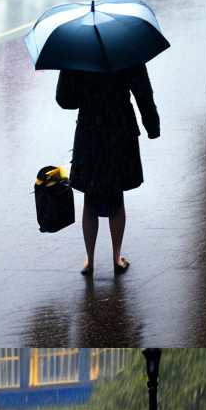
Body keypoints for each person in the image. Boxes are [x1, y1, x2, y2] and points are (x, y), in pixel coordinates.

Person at [56, 65, 160, 277]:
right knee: (116, 195)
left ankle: (90, 260)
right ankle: (116, 257)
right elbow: (143, 92)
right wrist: (152, 126)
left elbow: (64, 99)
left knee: (90, 198)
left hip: (90, 131)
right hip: (120, 130)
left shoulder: (78, 50)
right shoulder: (126, 47)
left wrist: (86, 93)